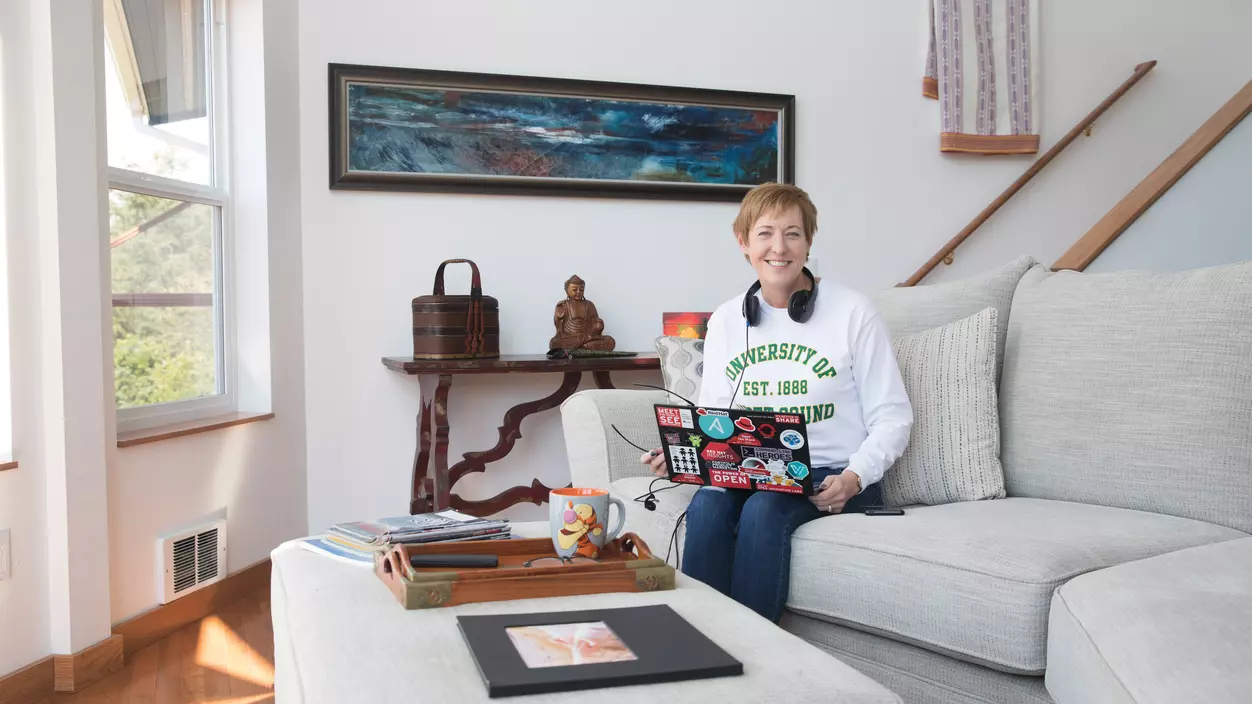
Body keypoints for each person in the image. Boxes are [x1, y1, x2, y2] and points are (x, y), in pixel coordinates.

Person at [639, 182, 913, 622]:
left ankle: (758, 658)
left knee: (765, 509)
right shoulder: (729, 319)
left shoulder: (854, 312)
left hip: (830, 478)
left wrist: (854, 477)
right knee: (708, 504)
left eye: (793, 233)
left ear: (808, 242)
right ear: (743, 242)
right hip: (753, 469)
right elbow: (713, 414)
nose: (779, 248)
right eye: (765, 233)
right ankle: (700, 641)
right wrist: (686, 454)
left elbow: (893, 416)